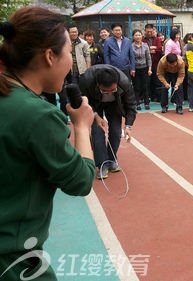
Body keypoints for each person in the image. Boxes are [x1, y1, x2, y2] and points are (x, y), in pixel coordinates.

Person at [0, 8, 95, 280]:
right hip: (13, 258)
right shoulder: (38, 115)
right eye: (68, 53)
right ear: (50, 56)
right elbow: (80, 181)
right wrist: (81, 126)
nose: (70, 63)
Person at [79, 64, 137, 179]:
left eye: (113, 90)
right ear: (97, 85)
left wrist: (128, 126)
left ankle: (111, 159)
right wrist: (96, 116)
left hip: (114, 105)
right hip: (95, 104)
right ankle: (102, 164)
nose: (109, 93)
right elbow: (84, 101)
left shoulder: (124, 82)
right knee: (97, 132)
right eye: (105, 91)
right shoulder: (87, 80)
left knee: (116, 132)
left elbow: (131, 105)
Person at [142, 24, 163, 104]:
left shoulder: (157, 39)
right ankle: (147, 98)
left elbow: (159, 49)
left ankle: (157, 97)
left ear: (153, 30)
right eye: (148, 32)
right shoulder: (142, 39)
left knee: (157, 82)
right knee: (147, 82)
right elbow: (143, 49)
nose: (150, 33)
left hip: (156, 64)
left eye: (151, 31)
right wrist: (151, 49)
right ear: (145, 31)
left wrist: (148, 49)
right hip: (145, 64)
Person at [131, 29, 152, 111]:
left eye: (139, 35)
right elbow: (130, 59)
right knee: (136, 87)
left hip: (144, 68)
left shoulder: (145, 45)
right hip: (135, 69)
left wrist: (149, 69)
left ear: (142, 36)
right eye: (136, 35)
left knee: (145, 86)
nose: (138, 37)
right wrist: (132, 69)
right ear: (133, 36)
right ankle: (137, 103)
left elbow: (148, 58)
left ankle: (146, 102)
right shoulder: (131, 46)